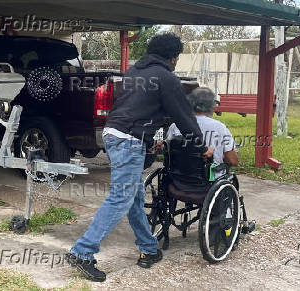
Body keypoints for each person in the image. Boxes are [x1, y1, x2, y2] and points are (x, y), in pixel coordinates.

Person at [66, 33, 211, 282]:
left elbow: (142, 107)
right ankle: (82, 252)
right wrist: (200, 145)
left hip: (112, 134)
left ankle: (148, 248)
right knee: (121, 198)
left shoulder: (133, 72)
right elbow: (183, 116)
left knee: (134, 198)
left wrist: (150, 136)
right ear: (173, 57)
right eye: (176, 57)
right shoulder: (166, 77)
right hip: (128, 140)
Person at [167, 87, 239, 174]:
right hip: (208, 179)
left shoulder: (175, 125)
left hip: (179, 176)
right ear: (211, 106)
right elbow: (233, 161)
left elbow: (167, 149)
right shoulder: (220, 128)